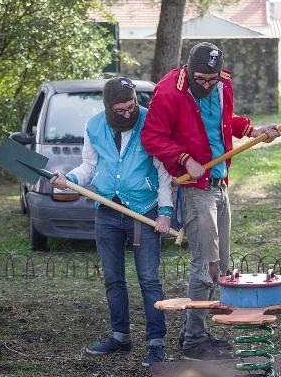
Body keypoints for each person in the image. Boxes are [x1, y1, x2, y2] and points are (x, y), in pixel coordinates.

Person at [141, 42, 280, 361]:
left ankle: (196, 328)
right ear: (189, 70)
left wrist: (253, 130)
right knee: (207, 264)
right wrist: (183, 158)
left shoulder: (223, 83)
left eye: (212, 79)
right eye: (201, 79)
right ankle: (193, 342)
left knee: (223, 265)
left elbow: (225, 120)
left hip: (219, 183)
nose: (207, 85)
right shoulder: (169, 92)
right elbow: (152, 137)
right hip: (194, 187)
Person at [50, 76, 173, 367]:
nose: (128, 113)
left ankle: (156, 342)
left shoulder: (149, 120)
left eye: (131, 107)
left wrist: (165, 211)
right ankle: (120, 336)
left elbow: (163, 170)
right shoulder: (93, 126)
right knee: (113, 278)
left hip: (144, 211)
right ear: (108, 108)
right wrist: (71, 180)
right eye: (121, 110)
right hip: (107, 211)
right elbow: (89, 165)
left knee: (149, 280)